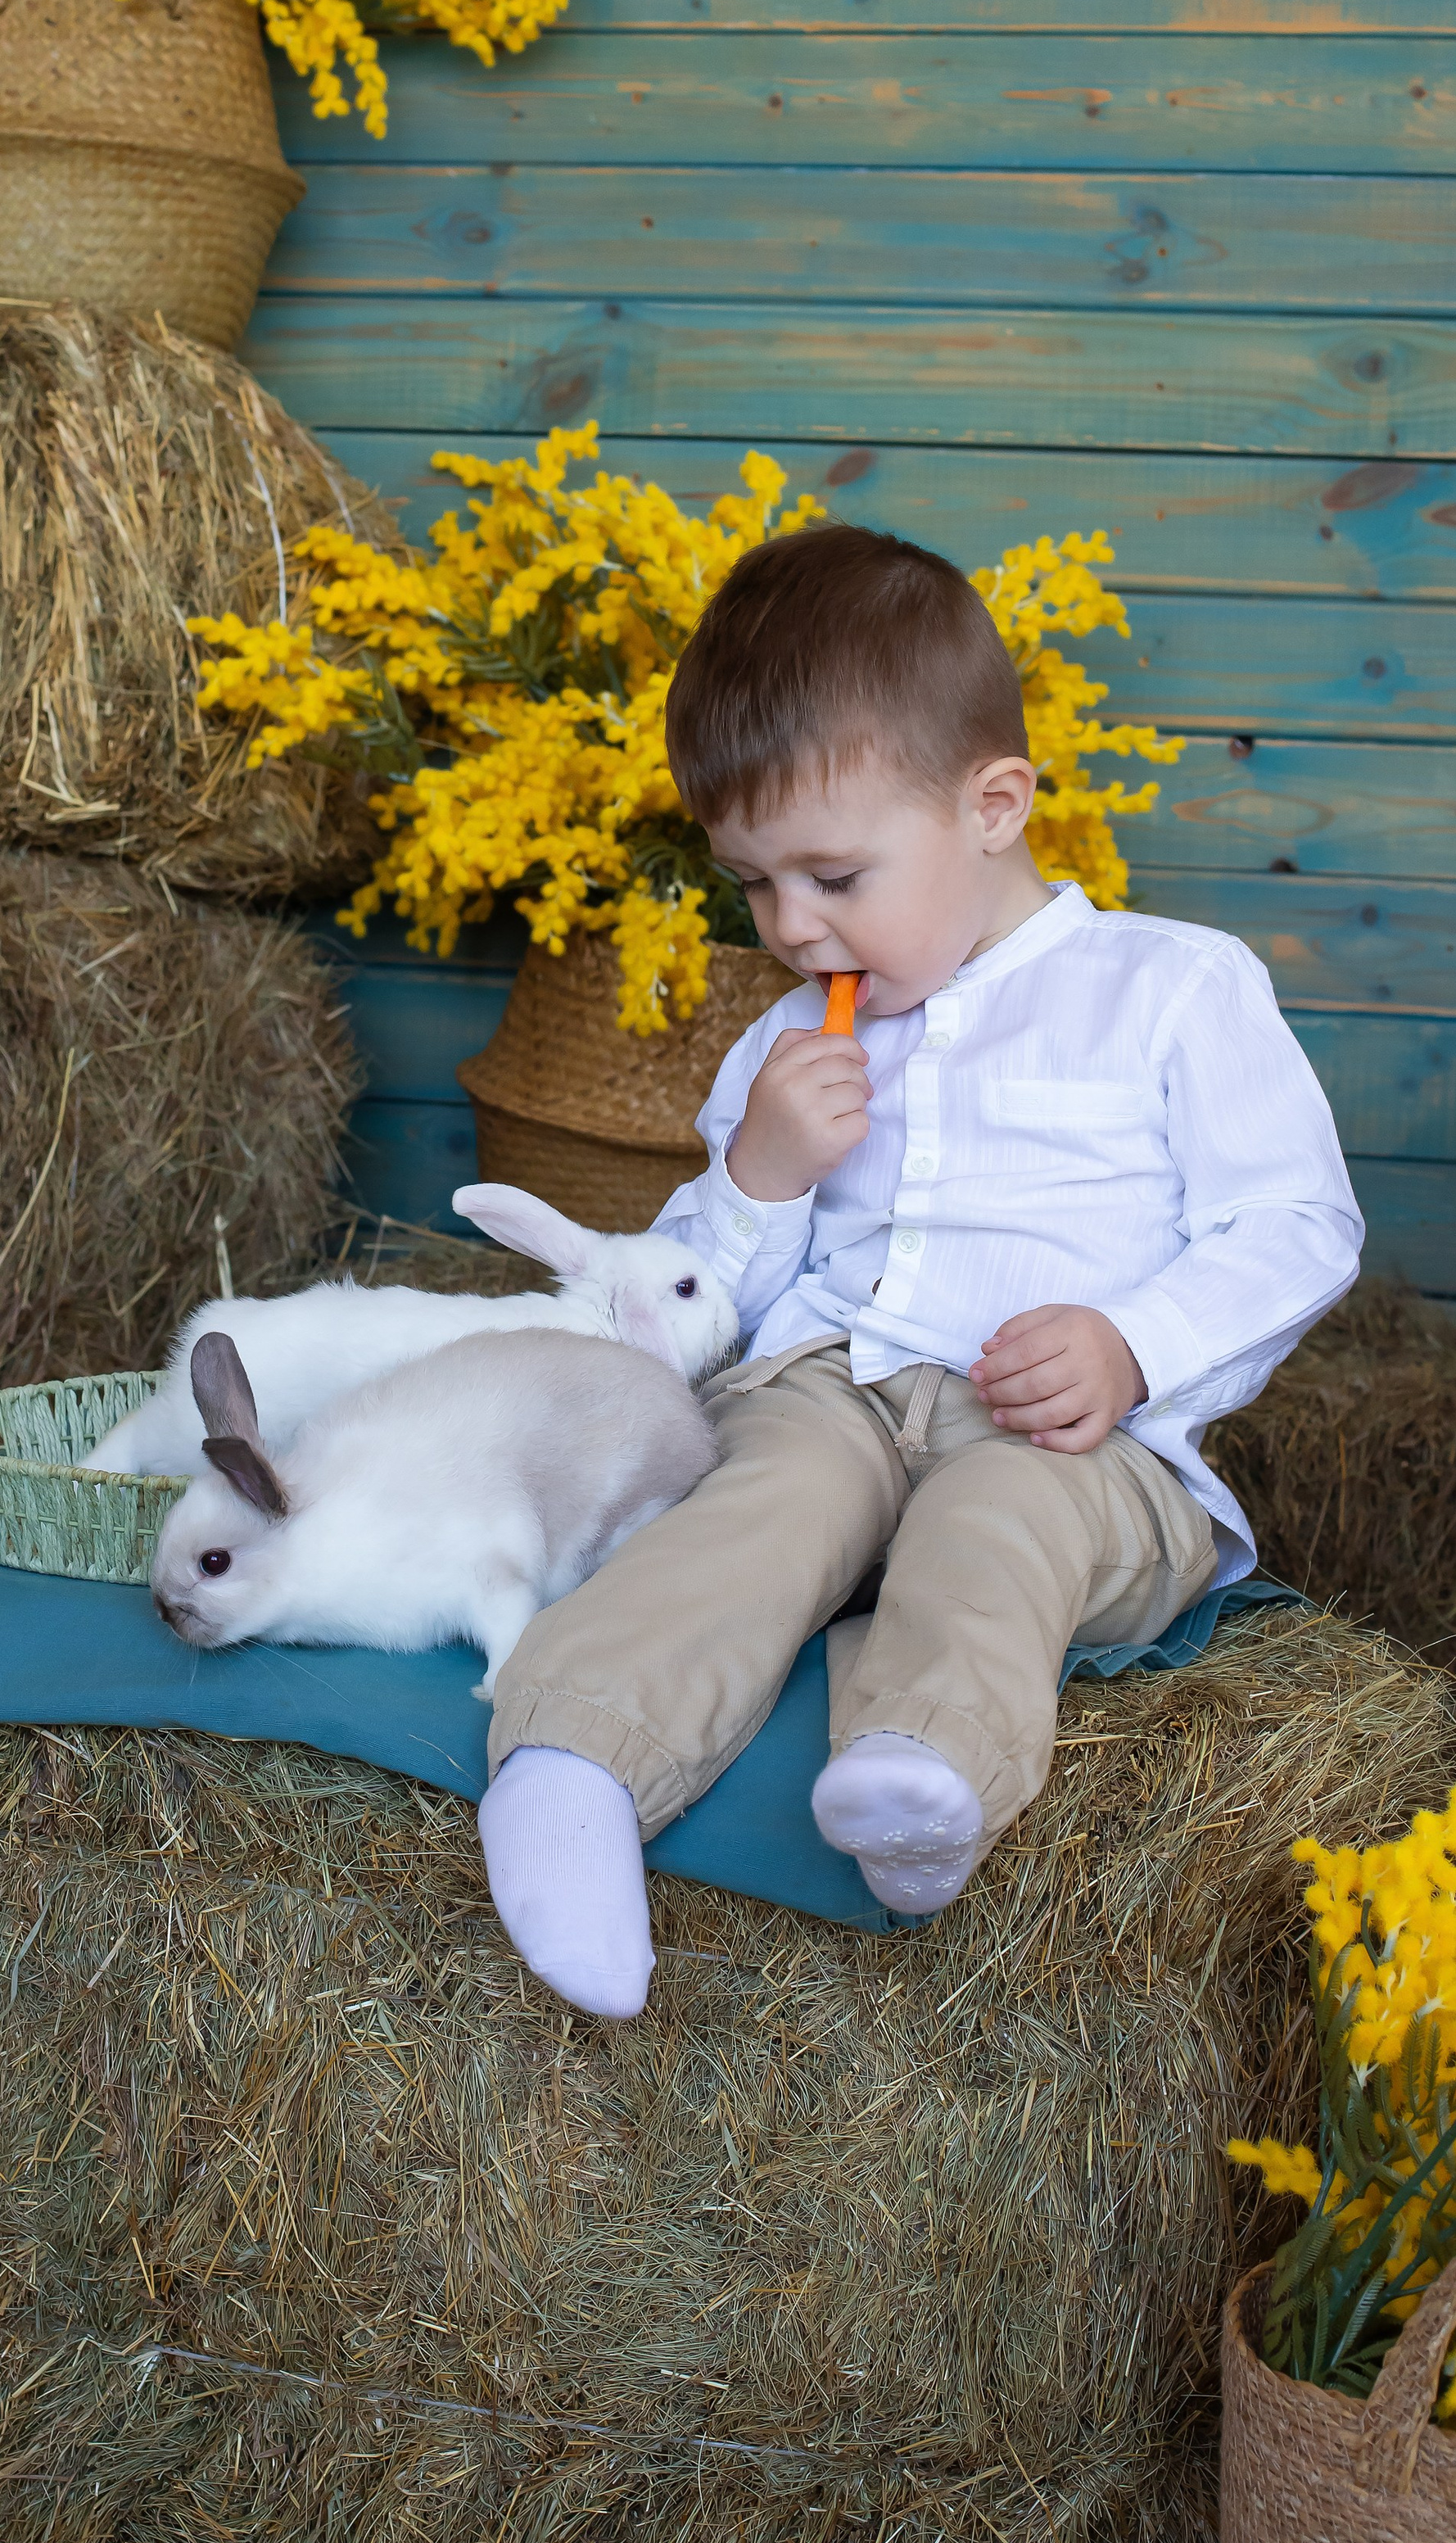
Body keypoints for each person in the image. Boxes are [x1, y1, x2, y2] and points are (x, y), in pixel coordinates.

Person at [476, 522, 1362, 2017]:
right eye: (753, 886)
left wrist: (1134, 1344)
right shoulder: (780, 1051)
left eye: (833, 875)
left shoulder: (1168, 990)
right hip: (838, 1392)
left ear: (995, 805)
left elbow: (1297, 1225)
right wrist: (756, 1177)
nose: (790, 928)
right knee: (762, 1489)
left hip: (1074, 1442)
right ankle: (572, 1762)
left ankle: (920, 1769)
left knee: (1004, 1514)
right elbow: (696, 1309)